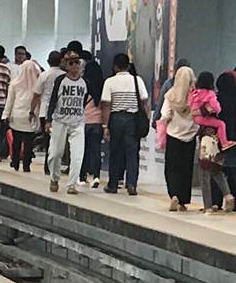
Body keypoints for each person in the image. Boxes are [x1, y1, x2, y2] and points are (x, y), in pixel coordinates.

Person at [102, 53, 150, 196]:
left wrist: (105, 126)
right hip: (132, 119)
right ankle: (132, 185)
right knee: (132, 153)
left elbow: (106, 105)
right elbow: (145, 102)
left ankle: (113, 185)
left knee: (115, 152)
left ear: (115, 67)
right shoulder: (137, 80)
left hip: (116, 118)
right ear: (128, 66)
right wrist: (146, 120)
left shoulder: (110, 82)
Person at [45, 51, 89, 195]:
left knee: (77, 155)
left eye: (77, 62)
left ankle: (71, 184)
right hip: (60, 121)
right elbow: (53, 100)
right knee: (55, 153)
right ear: (66, 65)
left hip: (77, 122)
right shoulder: (60, 81)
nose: (75, 65)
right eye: (71, 62)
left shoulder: (84, 83)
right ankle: (54, 177)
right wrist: (48, 119)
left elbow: (84, 101)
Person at [160, 67, 198, 212]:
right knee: (186, 168)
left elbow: (165, 114)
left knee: (172, 168)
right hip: (190, 137)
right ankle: (183, 201)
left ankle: (174, 194)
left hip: (173, 136)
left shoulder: (171, 94)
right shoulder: (195, 96)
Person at [2, 60, 41, 172]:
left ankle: (15, 162)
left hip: (17, 115)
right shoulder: (37, 85)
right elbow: (39, 101)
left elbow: (10, 101)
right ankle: (26, 164)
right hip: (30, 116)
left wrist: (5, 115)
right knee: (29, 143)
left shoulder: (14, 83)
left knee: (16, 141)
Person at [31, 51, 64, 175]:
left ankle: (47, 166)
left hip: (44, 112)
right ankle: (56, 166)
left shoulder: (44, 75)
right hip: (60, 113)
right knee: (59, 141)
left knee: (48, 141)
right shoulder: (65, 75)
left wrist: (31, 110)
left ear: (48, 61)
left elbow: (36, 94)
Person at [188, 72, 236, 151]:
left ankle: (224, 143)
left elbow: (201, 109)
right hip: (231, 136)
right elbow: (215, 107)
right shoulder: (212, 94)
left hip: (213, 140)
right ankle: (225, 143)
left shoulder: (196, 92)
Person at [212, 72, 236, 207]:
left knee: (216, 169)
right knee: (233, 171)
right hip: (233, 140)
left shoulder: (217, 98)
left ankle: (216, 202)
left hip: (219, 140)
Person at [79, 61, 104, 188]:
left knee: (83, 151)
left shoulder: (83, 84)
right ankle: (96, 177)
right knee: (96, 151)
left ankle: (82, 176)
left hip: (84, 122)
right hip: (98, 122)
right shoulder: (102, 85)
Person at [152, 58, 191, 126]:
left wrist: (155, 119)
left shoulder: (169, 84)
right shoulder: (192, 86)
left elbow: (161, 102)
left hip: (171, 124)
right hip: (189, 126)